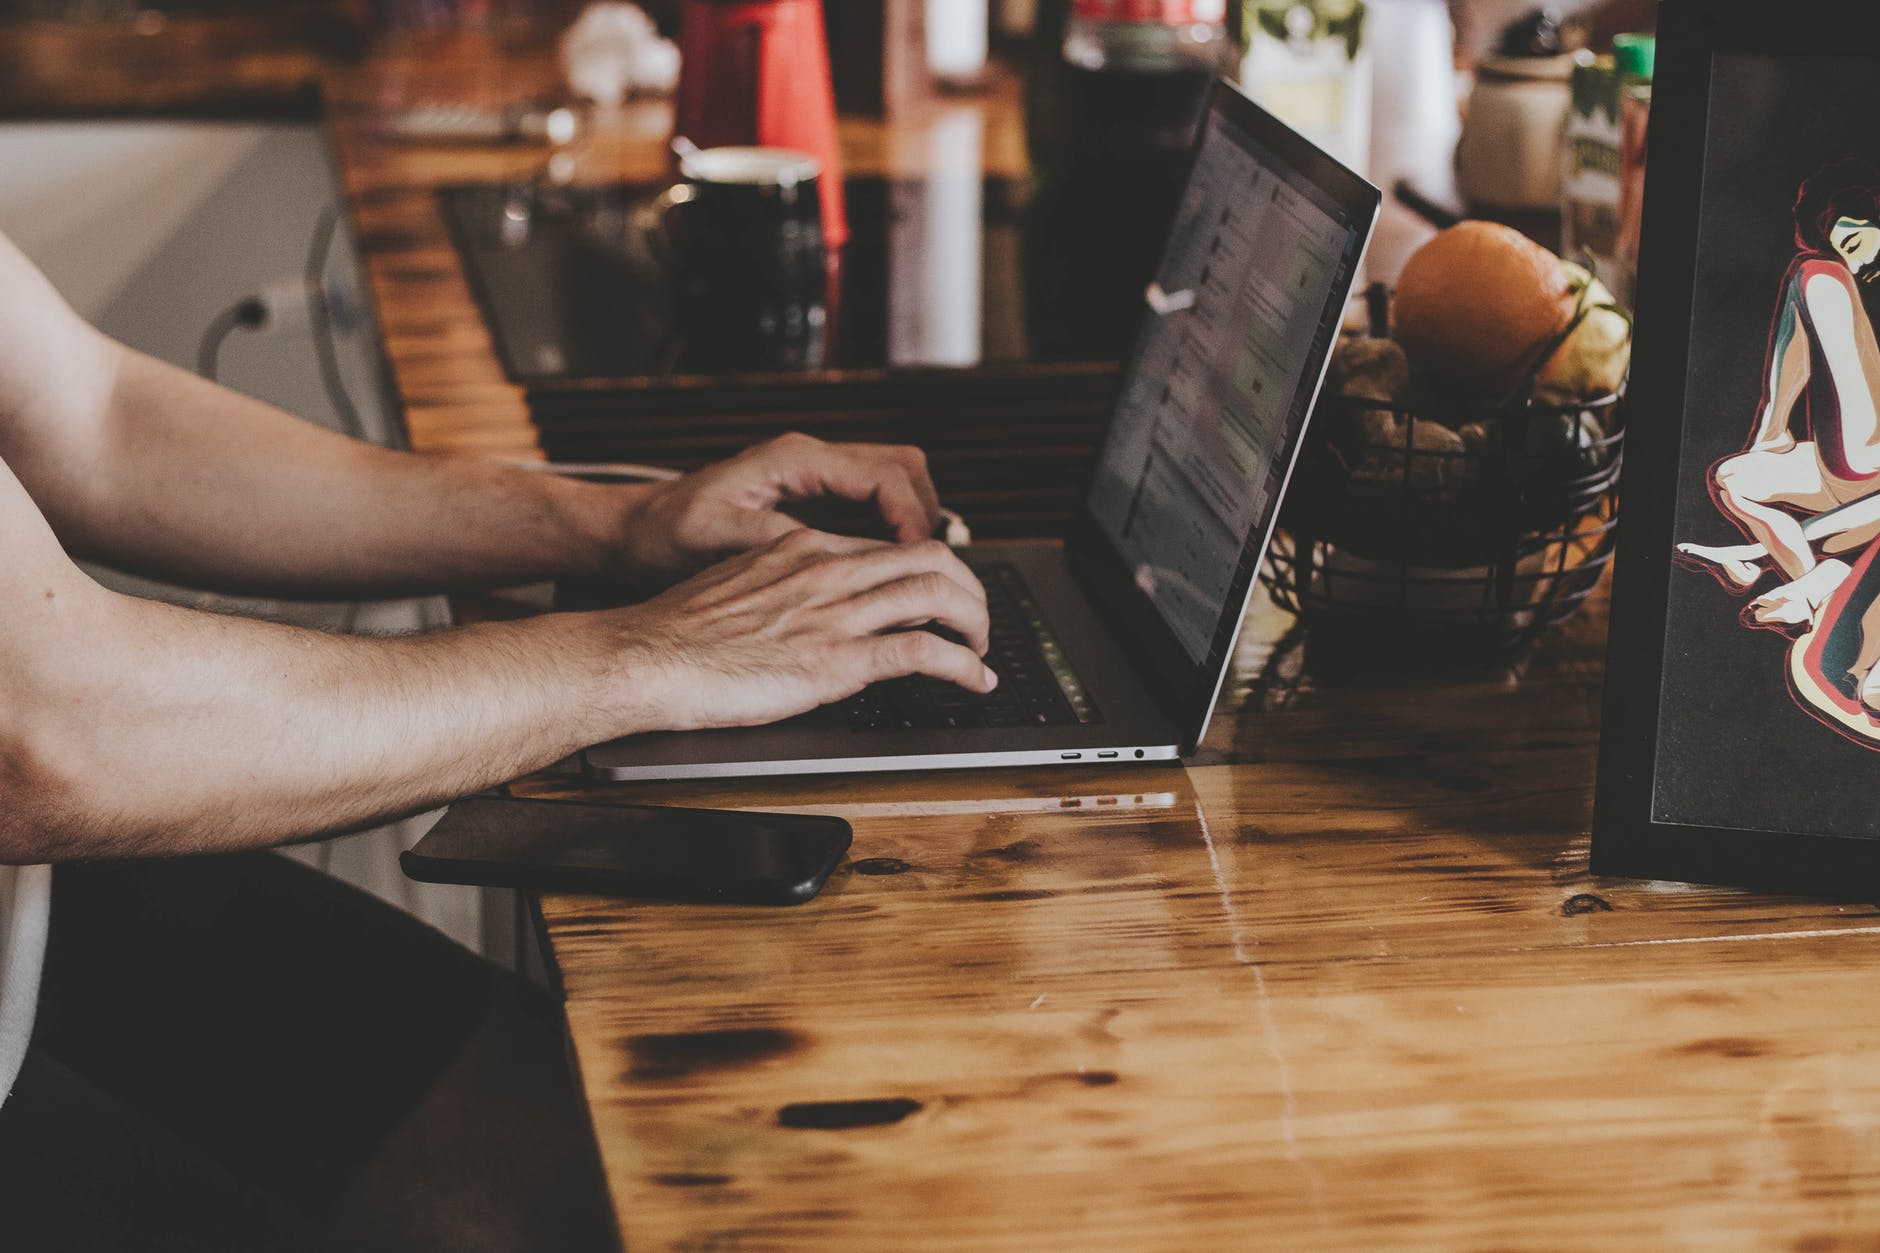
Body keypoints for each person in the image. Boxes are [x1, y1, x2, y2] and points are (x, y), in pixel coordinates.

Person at [0, 221, 995, 1251]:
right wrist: (650, 654)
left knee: (590, 1160)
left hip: (47, 910)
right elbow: (50, 734)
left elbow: (87, 416)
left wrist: (614, 523)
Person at [1677, 159, 1880, 627]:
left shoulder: (1824, 275)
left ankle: (1798, 581)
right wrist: (1771, 435)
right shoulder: (1833, 275)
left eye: (1855, 240)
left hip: (1862, 461)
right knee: (1734, 478)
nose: (1862, 261)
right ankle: (1806, 584)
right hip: (1848, 468)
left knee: (1813, 275)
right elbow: (1800, 352)